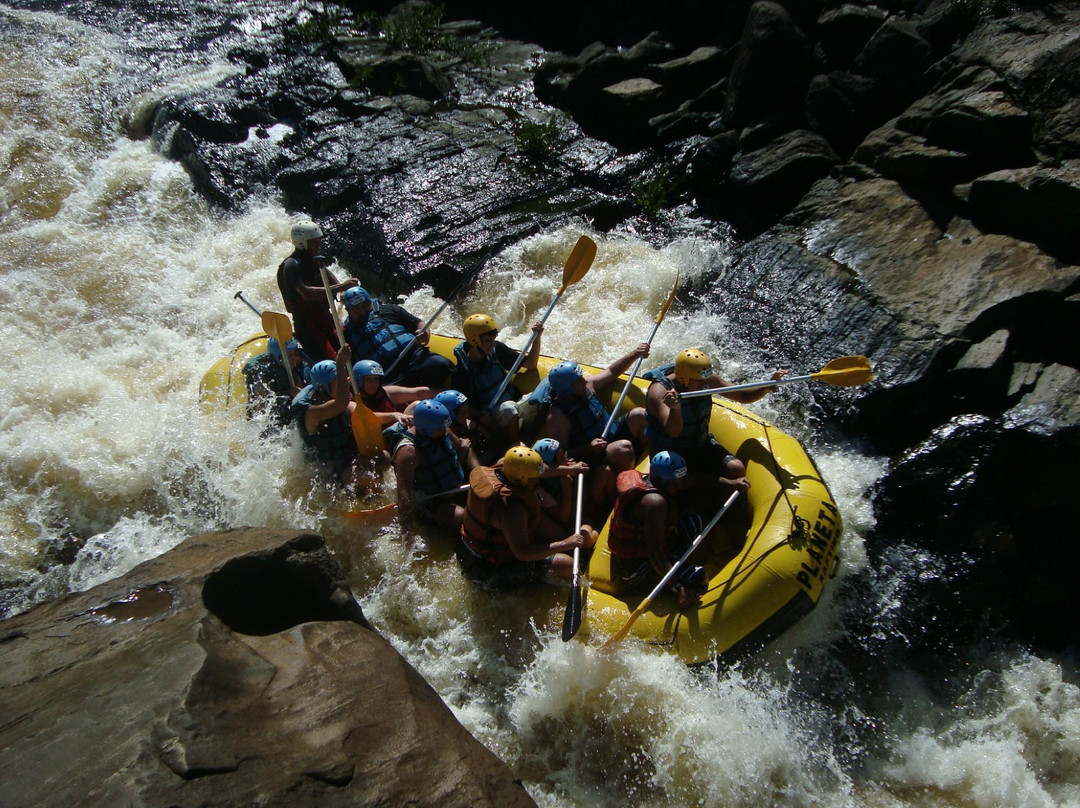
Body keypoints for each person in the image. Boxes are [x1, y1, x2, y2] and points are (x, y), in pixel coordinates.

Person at [644, 348, 788, 492]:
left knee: (735, 469)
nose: (705, 384)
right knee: (677, 482)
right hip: (670, 454)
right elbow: (673, 432)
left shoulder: (705, 379)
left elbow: (743, 395)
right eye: (700, 382)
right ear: (684, 378)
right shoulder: (659, 391)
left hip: (700, 445)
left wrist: (766, 387)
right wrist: (675, 409)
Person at [456, 446, 593, 590]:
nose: (537, 482)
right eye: (534, 479)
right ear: (522, 479)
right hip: (486, 567)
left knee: (551, 529)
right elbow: (523, 552)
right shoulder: (512, 509)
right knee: (567, 565)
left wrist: (571, 469)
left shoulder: (506, 465)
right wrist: (565, 543)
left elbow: (539, 470)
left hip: (468, 546)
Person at [544, 349, 650, 520]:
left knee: (640, 415)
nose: (584, 380)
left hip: (611, 435)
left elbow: (611, 372)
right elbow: (563, 457)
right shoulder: (557, 417)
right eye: (579, 380)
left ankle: (647, 460)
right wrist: (589, 447)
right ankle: (631, 494)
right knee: (622, 449)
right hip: (592, 457)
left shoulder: (586, 387)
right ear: (568, 389)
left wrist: (635, 353)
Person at [607, 451, 707, 610]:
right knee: (696, 576)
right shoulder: (654, 502)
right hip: (635, 567)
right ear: (661, 480)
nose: (679, 486)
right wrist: (678, 587)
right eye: (675, 483)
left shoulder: (654, 480)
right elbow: (655, 552)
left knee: (694, 522)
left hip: (649, 550)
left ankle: (676, 561)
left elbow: (695, 480)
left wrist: (729, 482)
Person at [452, 313, 544, 452]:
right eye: (488, 340)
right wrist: (479, 416)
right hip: (493, 415)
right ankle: (512, 448)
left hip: (515, 402)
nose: (493, 344)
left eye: (494, 339)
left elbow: (530, 363)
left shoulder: (497, 350)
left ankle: (534, 436)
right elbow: (463, 407)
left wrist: (537, 339)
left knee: (544, 392)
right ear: (475, 341)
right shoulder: (462, 372)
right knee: (509, 408)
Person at [276, 219, 357, 362]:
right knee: (332, 357)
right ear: (302, 242)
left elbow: (327, 274)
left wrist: (342, 291)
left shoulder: (314, 260)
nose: (318, 244)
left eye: (318, 240)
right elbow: (307, 293)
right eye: (314, 241)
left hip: (325, 316)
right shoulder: (291, 265)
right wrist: (340, 287)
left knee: (350, 347)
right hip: (307, 324)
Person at [341, 287, 453, 388]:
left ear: (370, 302)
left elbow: (418, 323)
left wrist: (424, 332)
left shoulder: (389, 310)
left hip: (414, 358)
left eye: (364, 306)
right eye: (356, 309)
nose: (362, 311)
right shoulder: (346, 335)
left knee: (443, 364)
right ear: (348, 311)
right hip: (387, 375)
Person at [290, 344, 368, 489]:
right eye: (338, 382)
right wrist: (339, 365)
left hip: (345, 462)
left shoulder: (335, 402)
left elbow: (364, 414)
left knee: (382, 458)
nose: (344, 385)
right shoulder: (312, 413)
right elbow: (341, 403)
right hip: (326, 474)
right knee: (361, 476)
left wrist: (395, 416)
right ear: (322, 388)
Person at [392, 399, 470, 538]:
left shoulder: (441, 429)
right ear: (426, 428)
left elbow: (461, 446)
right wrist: (408, 532)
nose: (444, 431)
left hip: (456, 488)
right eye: (440, 429)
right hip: (432, 503)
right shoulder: (408, 452)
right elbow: (404, 497)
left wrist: (478, 473)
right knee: (462, 517)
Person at [243, 336, 308, 427]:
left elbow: (302, 388)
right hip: (268, 411)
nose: (295, 359)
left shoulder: (299, 366)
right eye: (289, 356)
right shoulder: (263, 373)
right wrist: (288, 393)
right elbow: (264, 404)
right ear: (277, 358)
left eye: (297, 354)